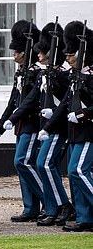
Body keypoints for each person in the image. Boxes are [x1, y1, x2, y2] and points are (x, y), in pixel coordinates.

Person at [23, 21, 74, 226]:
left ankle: (63, 205)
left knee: (44, 163)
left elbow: (66, 102)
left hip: (58, 127)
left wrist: (53, 114)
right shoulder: (47, 74)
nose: (39, 55)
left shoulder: (61, 75)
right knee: (42, 164)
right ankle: (54, 207)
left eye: (42, 52)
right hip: (47, 127)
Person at [0, 20, 44, 223]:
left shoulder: (37, 72)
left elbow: (30, 102)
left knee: (22, 161)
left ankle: (49, 202)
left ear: (25, 51)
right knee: (23, 166)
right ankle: (30, 207)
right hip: (20, 125)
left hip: (31, 123)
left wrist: (13, 119)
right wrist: (0, 125)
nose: (14, 55)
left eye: (17, 51)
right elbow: (13, 101)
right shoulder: (21, 72)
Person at [46, 20, 93, 232]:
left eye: (71, 54)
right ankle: (85, 217)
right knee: (74, 175)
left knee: (78, 170)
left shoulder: (90, 74)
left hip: (88, 130)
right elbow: (65, 103)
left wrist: (84, 113)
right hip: (75, 132)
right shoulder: (76, 74)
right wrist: (47, 127)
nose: (68, 57)